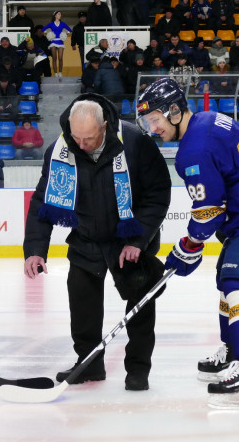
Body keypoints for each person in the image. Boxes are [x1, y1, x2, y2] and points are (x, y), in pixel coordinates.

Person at [135, 78, 239, 408]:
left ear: (175, 111)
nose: (152, 129)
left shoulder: (192, 150)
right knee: (226, 279)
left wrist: (189, 245)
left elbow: (208, 212)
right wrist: (192, 245)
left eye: (154, 120)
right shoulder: (207, 120)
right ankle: (234, 352)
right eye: (147, 122)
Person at [24, 95, 171, 391]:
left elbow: (158, 192)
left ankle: (138, 369)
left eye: (89, 138)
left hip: (128, 240)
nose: (81, 145)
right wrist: (35, 250)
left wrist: (138, 240)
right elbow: (42, 200)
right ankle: (89, 364)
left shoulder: (134, 142)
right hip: (86, 239)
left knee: (139, 307)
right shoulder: (60, 150)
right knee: (83, 309)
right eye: (76, 137)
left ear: (104, 126)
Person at [42, 11, 72, 77]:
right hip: (53, 42)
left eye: (60, 14)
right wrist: (47, 33)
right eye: (58, 14)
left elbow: (70, 30)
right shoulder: (51, 24)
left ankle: (60, 72)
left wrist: (65, 33)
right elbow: (43, 29)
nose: (60, 15)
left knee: (60, 58)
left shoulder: (63, 24)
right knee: (54, 58)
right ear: (55, 16)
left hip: (60, 42)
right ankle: (55, 73)